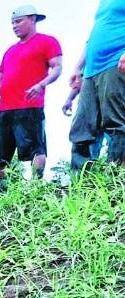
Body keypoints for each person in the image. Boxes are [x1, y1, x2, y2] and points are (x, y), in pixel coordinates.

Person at [0, 5, 63, 189]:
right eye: (12, 23)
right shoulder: (10, 51)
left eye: (18, 21)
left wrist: (41, 84)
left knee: (36, 150)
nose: (14, 26)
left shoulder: (47, 42)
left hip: (30, 106)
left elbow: (57, 67)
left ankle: (35, 189)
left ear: (32, 19)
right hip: (4, 110)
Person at [68, 0, 125, 170]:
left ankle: (118, 178)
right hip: (91, 70)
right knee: (82, 128)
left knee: (116, 123)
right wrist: (78, 67)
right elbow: (93, 37)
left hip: (116, 62)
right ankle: (81, 181)